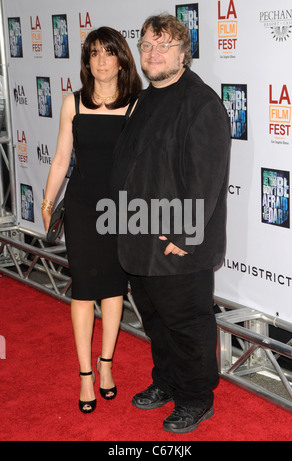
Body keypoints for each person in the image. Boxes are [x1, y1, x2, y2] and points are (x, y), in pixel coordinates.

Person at [111, 14, 231, 433]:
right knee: (156, 321)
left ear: (184, 54)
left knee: (188, 325)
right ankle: (166, 381)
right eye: (146, 45)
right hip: (139, 239)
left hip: (177, 244)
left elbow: (207, 175)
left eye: (163, 46)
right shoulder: (144, 99)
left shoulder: (201, 102)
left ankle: (197, 398)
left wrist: (185, 234)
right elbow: (131, 166)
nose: (153, 53)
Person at [42, 27, 142, 414]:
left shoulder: (136, 105)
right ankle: (85, 374)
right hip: (83, 207)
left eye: (108, 53)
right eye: (94, 53)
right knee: (83, 289)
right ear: (86, 61)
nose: (101, 61)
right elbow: (61, 158)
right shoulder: (73, 103)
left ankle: (106, 367)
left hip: (119, 210)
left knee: (114, 289)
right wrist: (48, 200)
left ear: (121, 59)